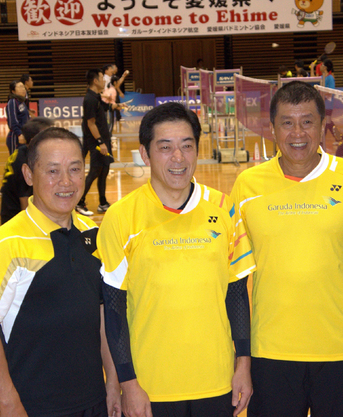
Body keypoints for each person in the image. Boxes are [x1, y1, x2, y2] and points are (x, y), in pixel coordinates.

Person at [97, 102, 255, 417]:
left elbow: (237, 295)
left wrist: (244, 364)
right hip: (150, 386)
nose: (178, 158)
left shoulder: (224, 209)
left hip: (216, 380)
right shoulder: (120, 217)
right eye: (165, 147)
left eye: (187, 146)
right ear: (145, 154)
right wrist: (127, 382)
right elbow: (114, 310)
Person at [231, 81, 343, 417]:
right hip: (271, 352)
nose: (298, 132)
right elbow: (233, 281)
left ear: (323, 125)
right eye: (287, 122)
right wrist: (240, 359)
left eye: (307, 121)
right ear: (272, 129)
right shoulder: (247, 186)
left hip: (341, 350)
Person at [0, 127, 121, 417]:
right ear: (28, 175)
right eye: (52, 171)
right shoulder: (7, 244)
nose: (66, 181)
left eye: (75, 169)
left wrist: (113, 382)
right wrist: (9, 403)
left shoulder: (94, 236)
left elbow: (102, 317)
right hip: (34, 407)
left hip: (94, 402)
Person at [76, 69, 121, 216]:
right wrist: (100, 142)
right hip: (96, 141)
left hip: (103, 139)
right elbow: (91, 123)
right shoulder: (89, 99)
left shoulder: (95, 97)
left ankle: (103, 202)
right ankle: (79, 202)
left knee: (104, 170)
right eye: (102, 78)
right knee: (95, 170)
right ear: (95, 81)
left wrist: (116, 106)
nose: (104, 80)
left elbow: (103, 107)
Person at [0, 117, 53, 224]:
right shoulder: (25, 164)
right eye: (46, 137)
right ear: (33, 140)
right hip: (15, 221)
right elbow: (25, 203)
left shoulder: (22, 151)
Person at [6, 80, 29, 155]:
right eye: (20, 87)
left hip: (24, 135)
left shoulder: (21, 102)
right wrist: (19, 134)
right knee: (15, 163)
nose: (23, 89)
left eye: (23, 87)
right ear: (13, 91)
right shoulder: (12, 102)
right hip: (15, 137)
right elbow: (12, 121)